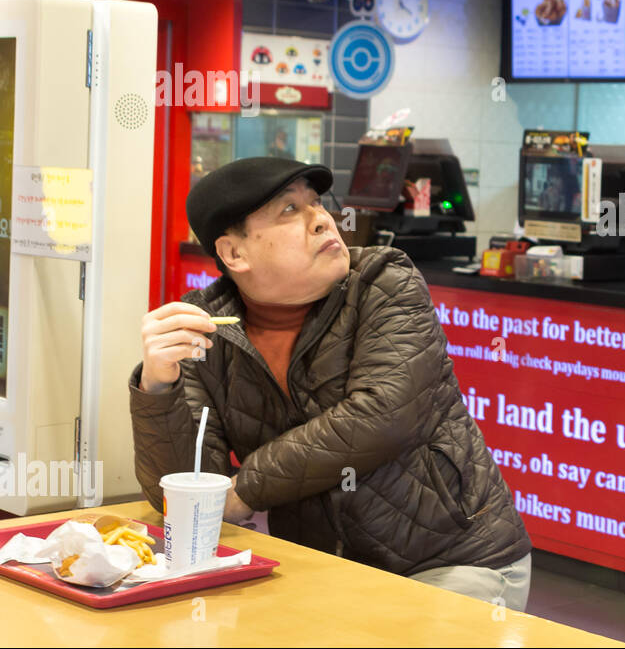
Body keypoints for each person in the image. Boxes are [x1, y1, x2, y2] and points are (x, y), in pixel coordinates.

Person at [129, 157, 533, 610]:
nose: (321, 219)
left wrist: (244, 491)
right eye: (288, 210)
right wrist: (157, 386)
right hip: (325, 572)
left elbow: (383, 416)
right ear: (234, 254)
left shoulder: (384, 282)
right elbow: (188, 494)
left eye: (316, 203)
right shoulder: (209, 327)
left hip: (453, 561)